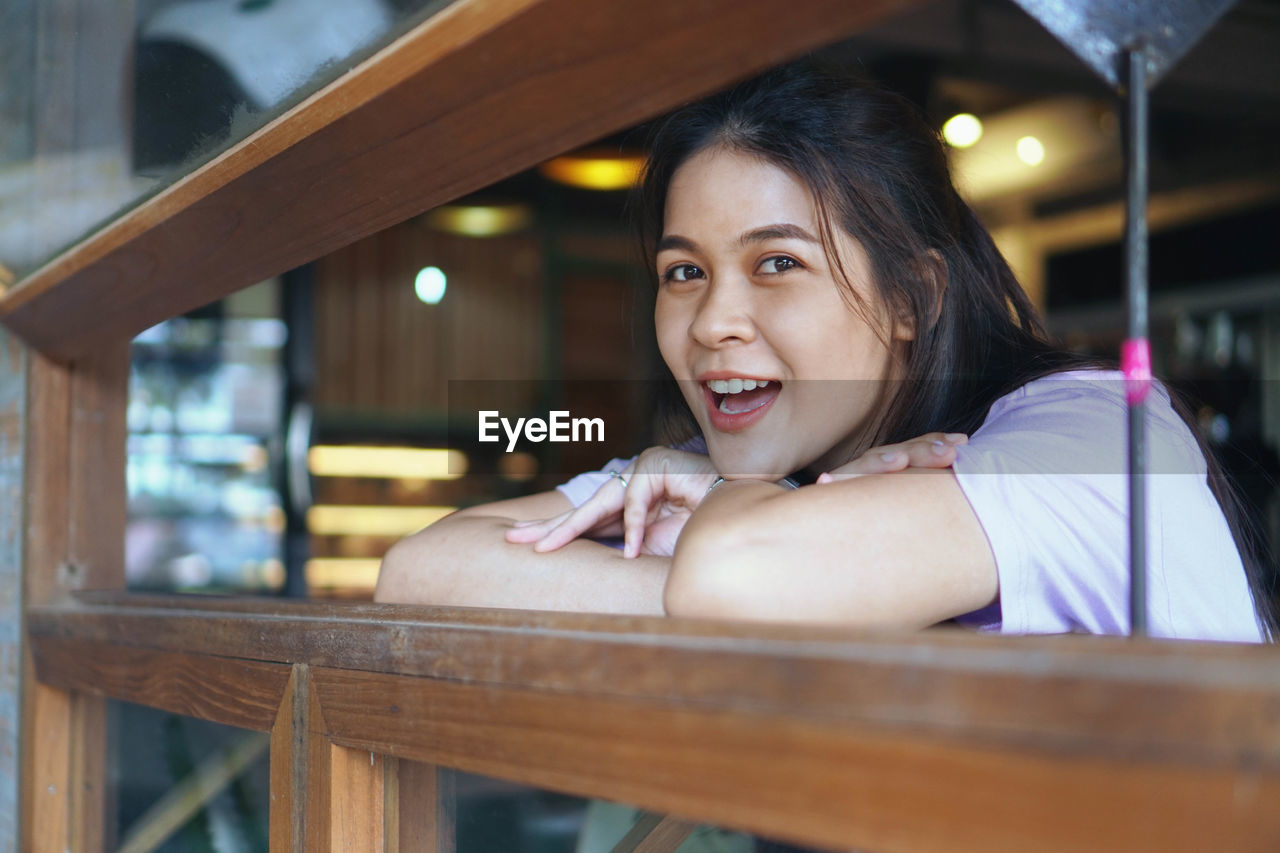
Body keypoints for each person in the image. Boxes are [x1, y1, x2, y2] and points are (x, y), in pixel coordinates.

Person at [376, 63, 1275, 643]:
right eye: (683, 271)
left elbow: (740, 576)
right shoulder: (745, 469)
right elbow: (422, 570)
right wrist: (756, 563)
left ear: (912, 297)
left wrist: (734, 539)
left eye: (777, 263)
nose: (713, 320)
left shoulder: (1101, 434)